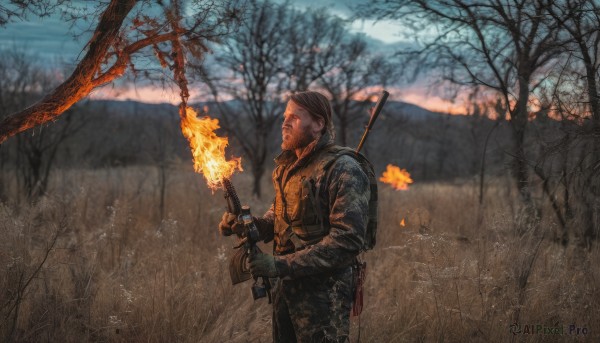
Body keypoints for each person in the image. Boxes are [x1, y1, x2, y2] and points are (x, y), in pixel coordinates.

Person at [219, 91, 370, 343]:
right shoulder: (287, 169)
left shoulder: (343, 169)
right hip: (285, 291)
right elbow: (276, 221)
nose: (285, 123)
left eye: (295, 118)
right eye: (284, 117)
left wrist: (278, 265)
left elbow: (348, 241)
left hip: (323, 297)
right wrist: (245, 225)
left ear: (318, 124)